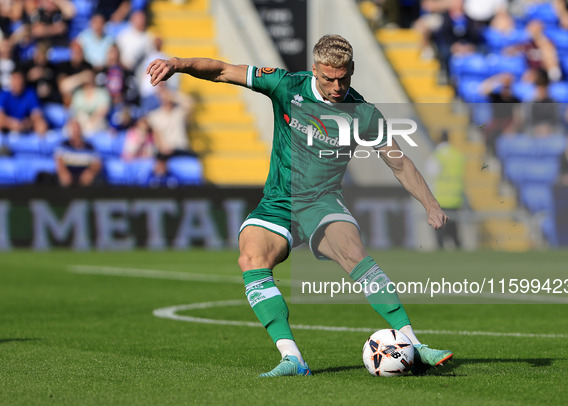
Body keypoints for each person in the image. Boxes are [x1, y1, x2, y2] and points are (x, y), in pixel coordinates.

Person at [147, 34, 453, 377]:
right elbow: (221, 71)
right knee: (250, 258)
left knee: (354, 254)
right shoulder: (284, 85)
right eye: (328, 78)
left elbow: (399, 162)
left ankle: (415, 345)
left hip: (323, 201)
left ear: (352, 70)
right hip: (278, 200)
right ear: (314, 71)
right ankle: (292, 358)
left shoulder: (364, 114)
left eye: (343, 77)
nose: (337, 86)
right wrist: (177, 64)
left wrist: (431, 204)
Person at [426, 130, 465, 249]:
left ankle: (441, 253)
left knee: (439, 231)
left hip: (440, 199)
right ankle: (459, 252)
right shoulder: (457, 155)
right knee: (454, 230)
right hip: (455, 198)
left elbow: (430, 176)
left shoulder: (436, 156)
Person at [54, 118, 102, 187]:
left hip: (84, 177)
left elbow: (97, 163)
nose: (75, 131)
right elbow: (59, 161)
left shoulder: (89, 147)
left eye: (77, 129)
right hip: (69, 175)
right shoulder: (63, 145)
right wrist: (63, 173)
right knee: (63, 180)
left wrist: (90, 172)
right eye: (73, 129)